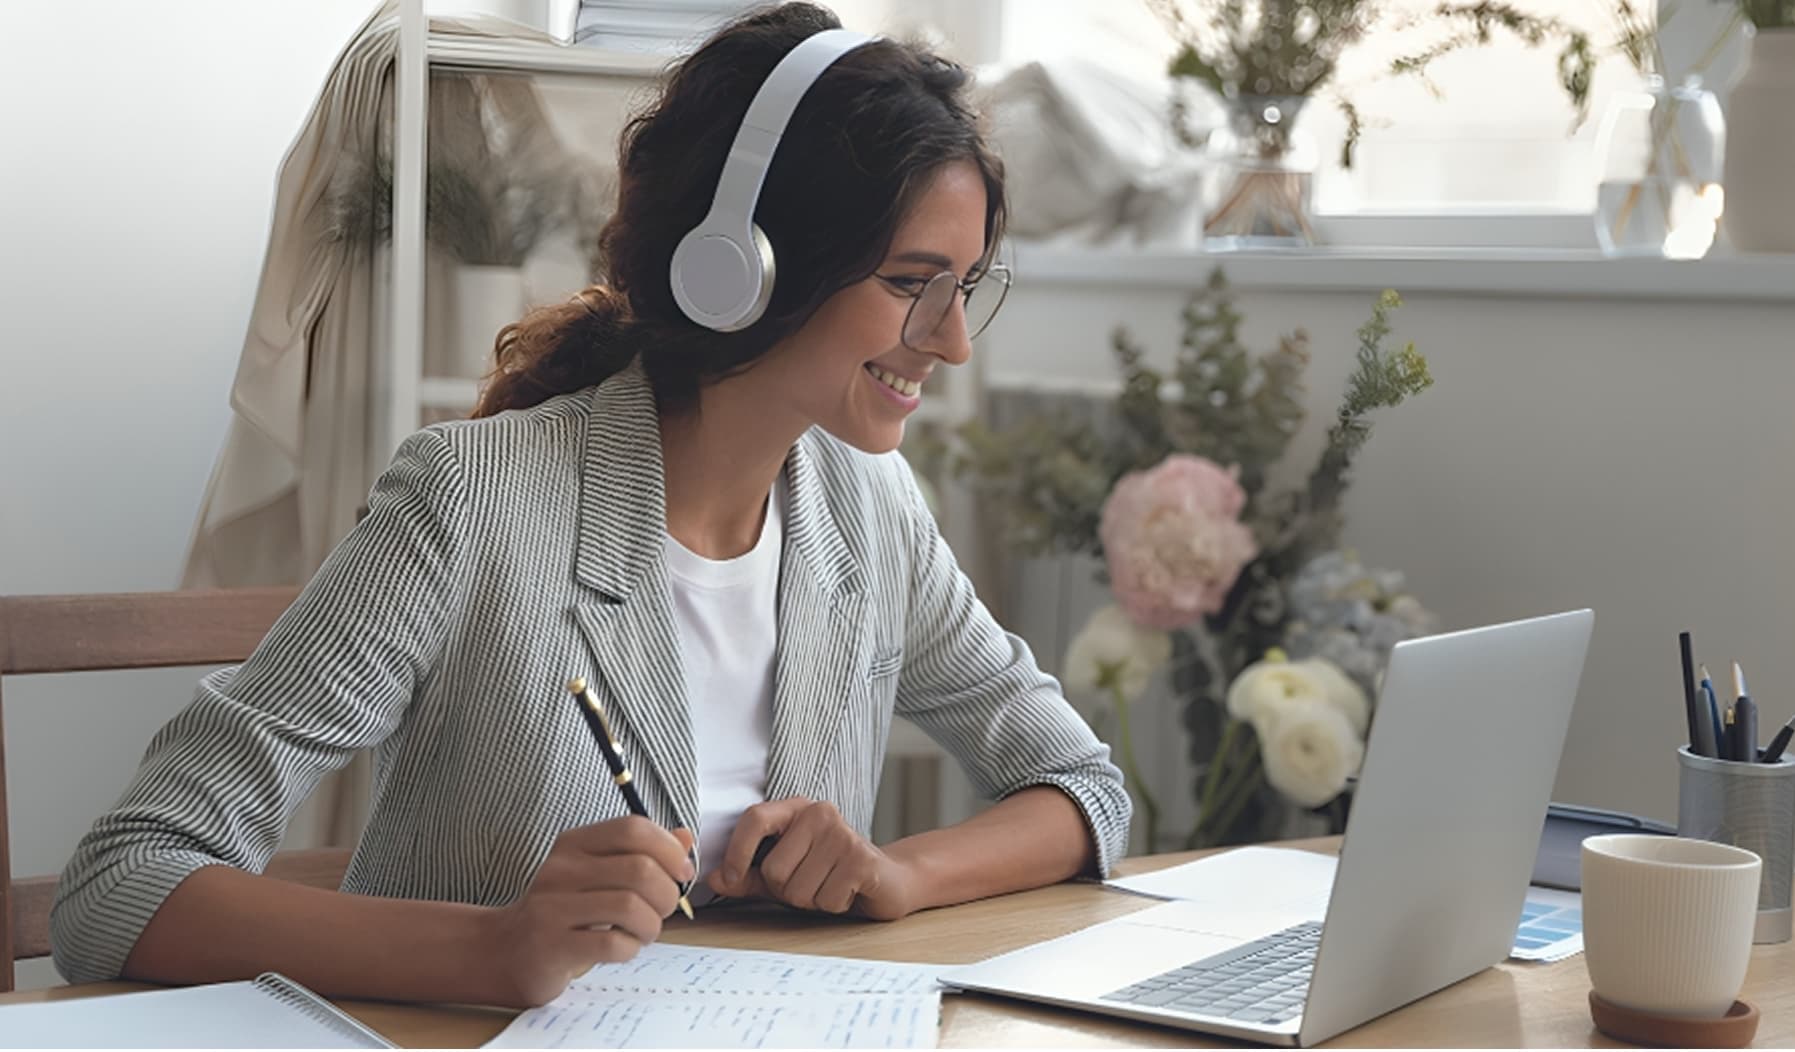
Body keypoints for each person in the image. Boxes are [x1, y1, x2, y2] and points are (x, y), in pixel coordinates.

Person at [50, 2, 1129, 1010]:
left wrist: (897, 872)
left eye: (965, 284)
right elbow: (121, 879)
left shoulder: (871, 509)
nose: (951, 340)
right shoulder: (471, 502)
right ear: (743, 268)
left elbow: (1081, 786)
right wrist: (492, 947)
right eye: (910, 283)